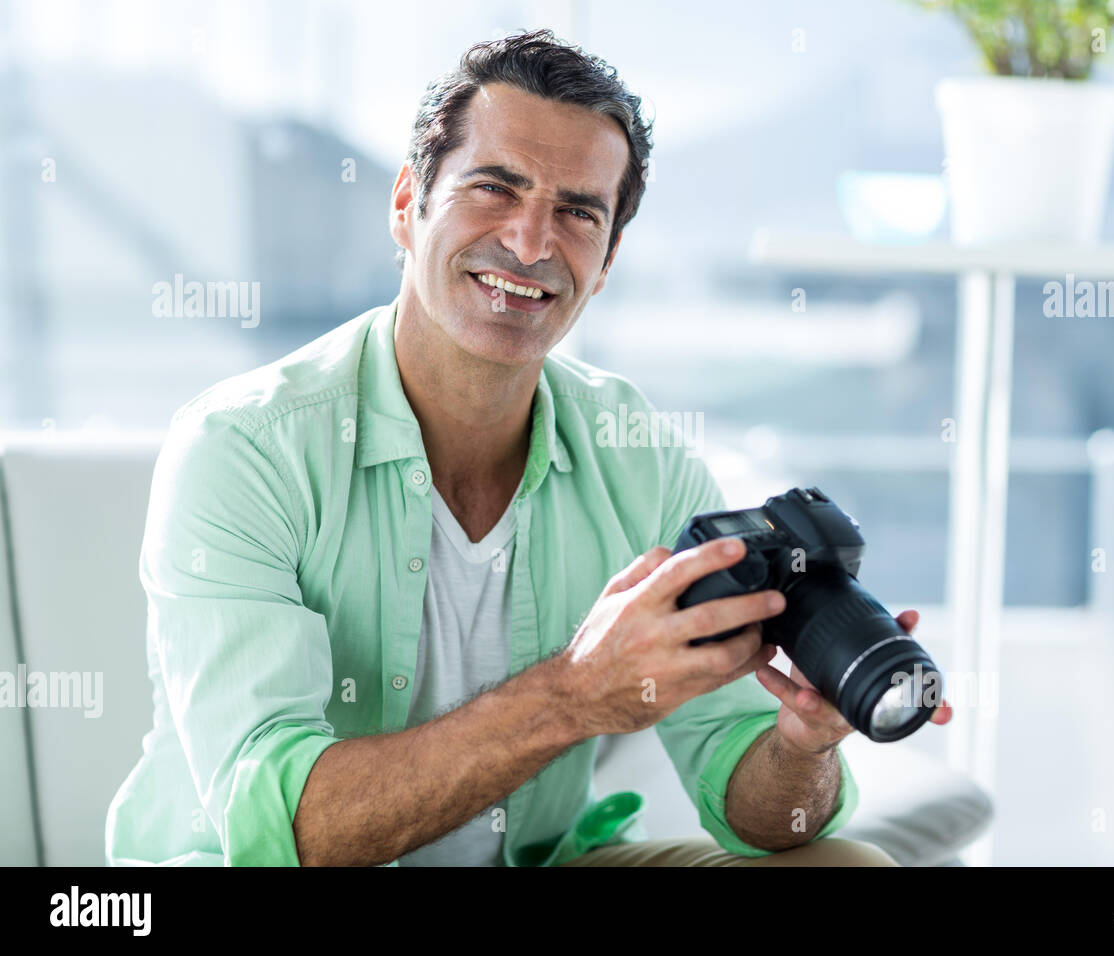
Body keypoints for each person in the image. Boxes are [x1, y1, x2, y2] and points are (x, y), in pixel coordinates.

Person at [106, 28, 947, 868]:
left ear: (608, 256)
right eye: (494, 188)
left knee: (846, 865)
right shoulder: (244, 448)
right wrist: (574, 696)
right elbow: (287, 833)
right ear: (407, 204)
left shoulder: (642, 458)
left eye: (578, 212)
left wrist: (803, 744)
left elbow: (764, 817)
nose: (532, 242)